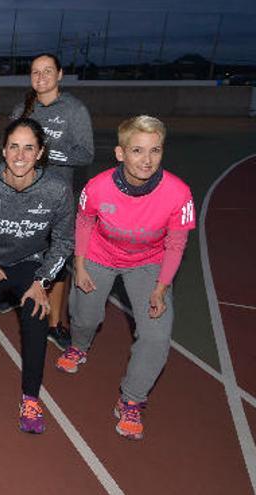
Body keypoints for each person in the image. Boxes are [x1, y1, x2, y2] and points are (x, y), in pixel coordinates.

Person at [56, 115, 194, 441]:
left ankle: (132, 398)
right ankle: (79, 345)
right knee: (85, 313)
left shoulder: (179, 193)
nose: (146, 160)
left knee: (157, 335)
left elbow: (176, 243)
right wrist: (80, 265)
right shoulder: (97, 186)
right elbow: (85, 223)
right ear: (120, 153)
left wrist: (161, 288)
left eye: (155, 151)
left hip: (148, 263)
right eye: (137, 150)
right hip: (100, 255)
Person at [0, 118, 74, 434]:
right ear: (3, 150)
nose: (20, 156)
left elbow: (64, 241)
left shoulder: (57, 190)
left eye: (29, 148)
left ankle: (31, 399)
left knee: (37, 320)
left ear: (40, 153)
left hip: (30, 265)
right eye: (14, 147)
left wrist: (42, 282)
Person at [11, 53, 94, 350]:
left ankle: (55, 322)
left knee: (56, 261)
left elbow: (86, 154)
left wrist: (48, 156)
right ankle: (22, 298)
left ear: (60, 74)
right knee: (23, 252)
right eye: (35, 72)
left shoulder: (74, 110)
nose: (41, 77)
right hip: (23, 195)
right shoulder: (23, 109)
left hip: (59, 198)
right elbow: (9, 151)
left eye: (48, 71)